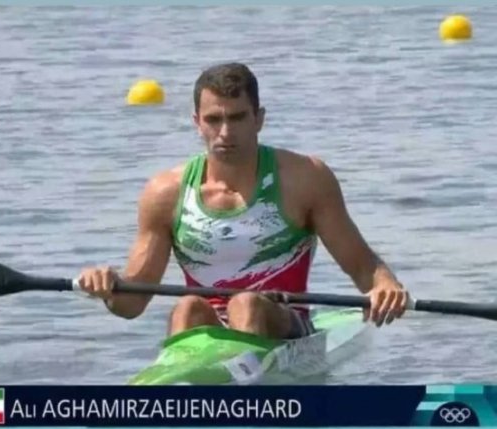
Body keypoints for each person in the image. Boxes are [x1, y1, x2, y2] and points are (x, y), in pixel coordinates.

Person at [77, 62, 409, 339]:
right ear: (197, 123)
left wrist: (385, 286)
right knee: (187, 308)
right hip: (207, 327)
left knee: (245, 304)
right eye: (213, 119)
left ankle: (248, 390)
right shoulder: (165, 192)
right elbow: (132, 304)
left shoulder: (305, 178)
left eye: (237, 118)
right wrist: (109, 287)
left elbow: (363, 266)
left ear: (258, 119)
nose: (225, 132)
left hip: (285, 325)